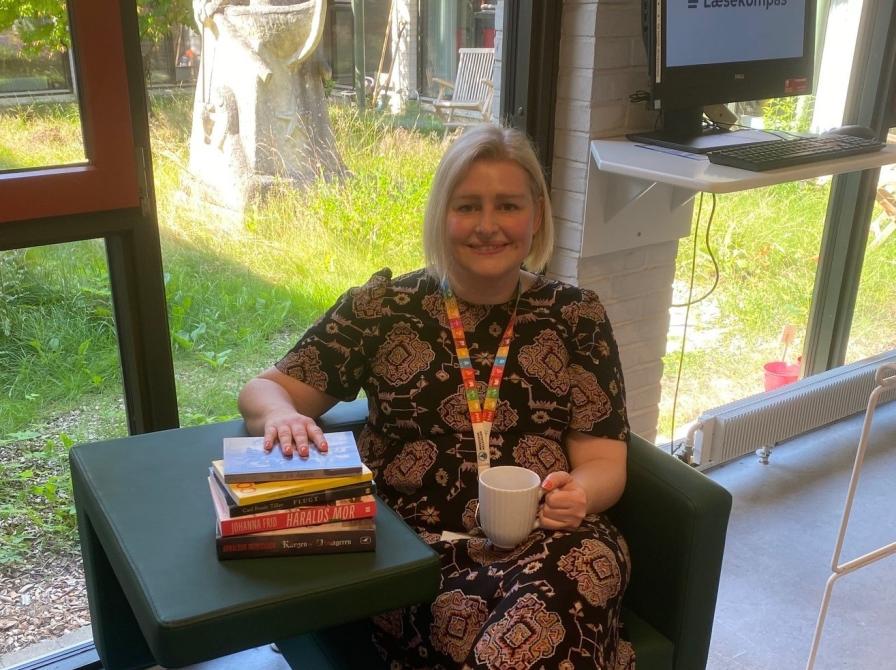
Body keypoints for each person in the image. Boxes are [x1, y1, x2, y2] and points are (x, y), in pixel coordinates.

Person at [238, 124, 635, 670]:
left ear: (537, 215)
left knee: (570, 581)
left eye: (508, 205)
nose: (488, 226)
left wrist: (580, 494)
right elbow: (264, 389)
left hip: (551, 539)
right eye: (467, 206)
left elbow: (605, 460)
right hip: (419, 550)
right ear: (440, 215)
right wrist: (281, 417)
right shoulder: (383, 308)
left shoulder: (576, 315)